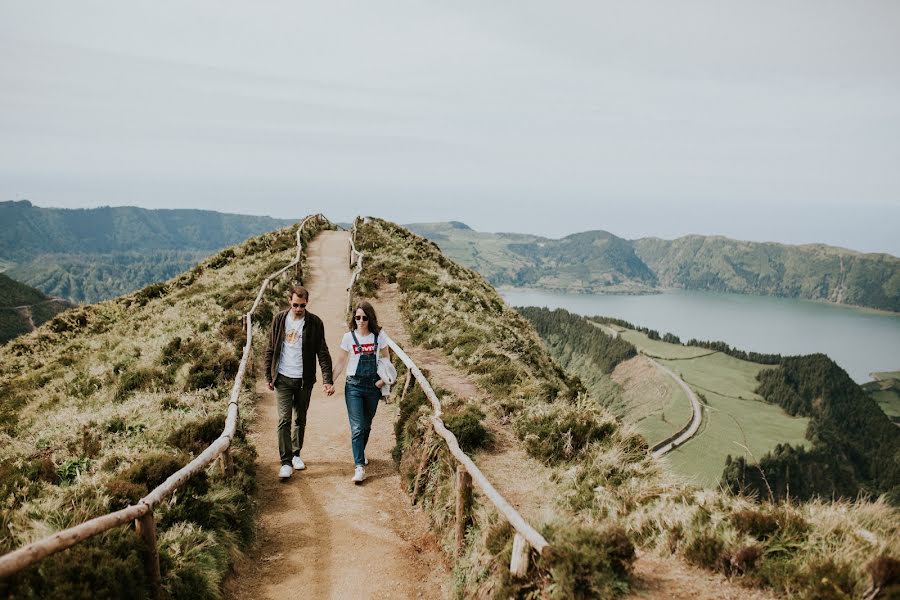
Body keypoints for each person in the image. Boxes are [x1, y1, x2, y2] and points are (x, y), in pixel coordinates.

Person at [264, 286, 335, 480]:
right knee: (284, 420)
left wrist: (327, 380)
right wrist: (268, 376)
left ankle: (296, 454)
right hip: (283, 378)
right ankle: (285, 461)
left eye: (302, 305)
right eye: (295, 305)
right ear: (289, 301)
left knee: (300, 419)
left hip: (304, 380)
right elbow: (270, 348)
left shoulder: (314, 323)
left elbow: (323, 352)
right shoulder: (279, 319)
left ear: (307, 303)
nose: (298, 309)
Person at [333, 301, 390, 484]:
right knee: (357, 427)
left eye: (365, 317)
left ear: (370, 318)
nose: (361, 321)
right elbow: (341, 362)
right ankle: (359, 466)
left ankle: (360, 453)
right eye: (357, 317)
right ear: (354, 318)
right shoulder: (348, 338)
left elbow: (386, 359)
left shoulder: (378, 336)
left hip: (373, 386)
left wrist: (382, 381)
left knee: (366, 425)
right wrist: (330, 382)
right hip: (354, 386)